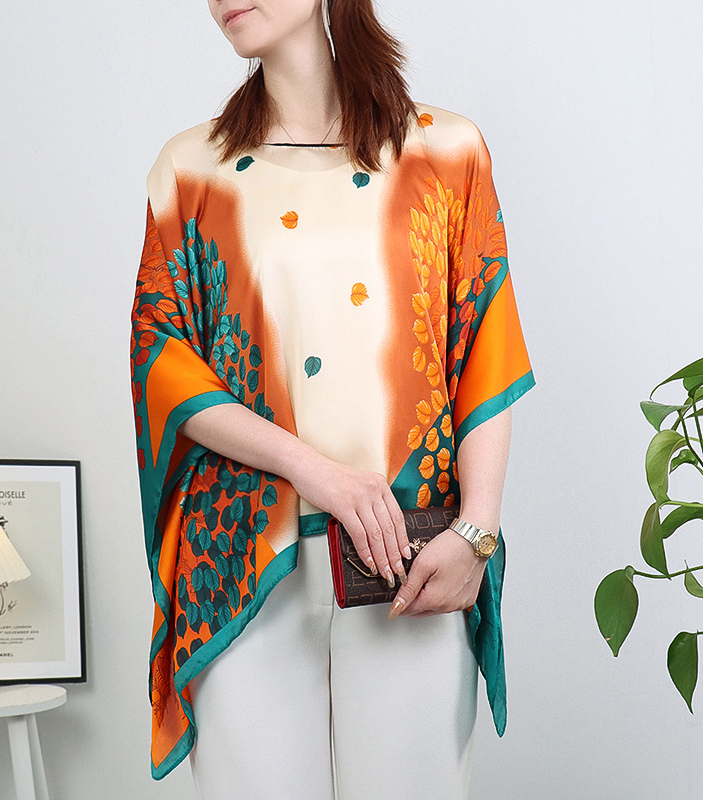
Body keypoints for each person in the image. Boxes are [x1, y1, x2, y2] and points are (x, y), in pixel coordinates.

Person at [130, 1, 534, 798]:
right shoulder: (191, 169)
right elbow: (163, 360)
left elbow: (484, 344)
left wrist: (477, 532)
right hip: (243, 566)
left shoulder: (447, 151)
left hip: (408, 560)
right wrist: (319, 473)